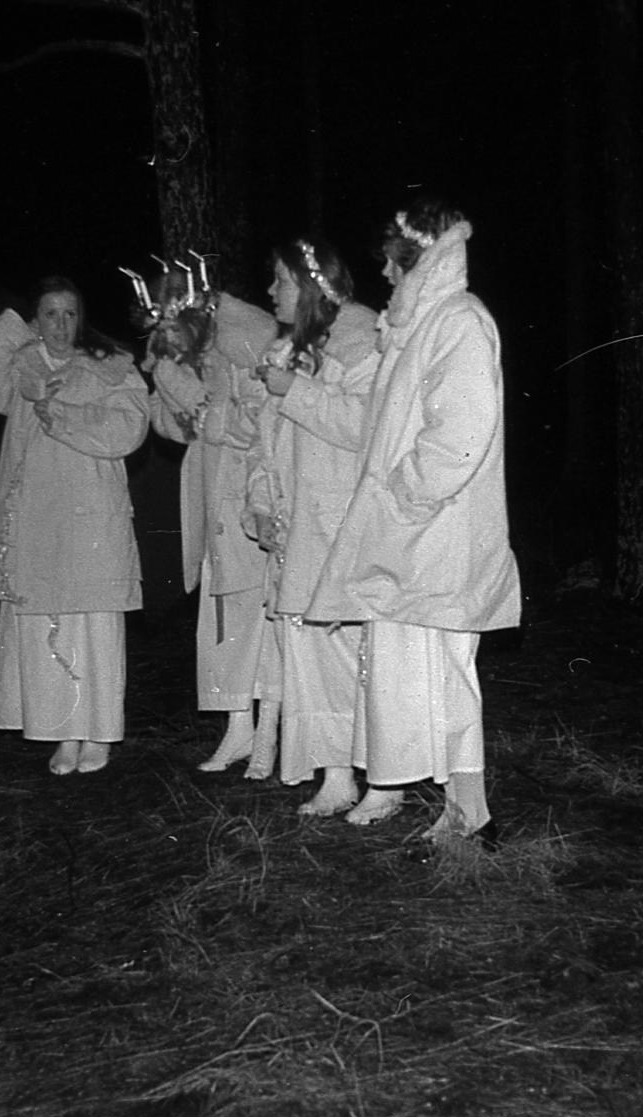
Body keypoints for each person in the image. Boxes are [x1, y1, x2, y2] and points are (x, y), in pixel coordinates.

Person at [305, 198, 521, 840]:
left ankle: (470, 814)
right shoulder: (419, 327)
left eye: (393, 263)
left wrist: (403, 492)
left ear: (415, 258)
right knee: (413, 675)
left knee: (447, 675)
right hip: (411, 538)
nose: (385, 275)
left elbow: (462, 433)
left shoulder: (459, 319)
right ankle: (452, 808)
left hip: (440, 533)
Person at [0, 277, 149, 774]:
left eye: (69, 314)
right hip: (37, 519)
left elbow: (129, 429)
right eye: (49, 314)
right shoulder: (21, 369)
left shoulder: (111, 366)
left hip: (91, 515)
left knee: (93, 625)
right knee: (46, 624)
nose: (61, 326)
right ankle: (63, 731)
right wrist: (14, 329)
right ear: (35, 320)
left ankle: (99, 732)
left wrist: (64, 416)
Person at [249, 237, 379, 814]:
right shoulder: (289, 349)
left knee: (352, 652)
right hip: (298, 526)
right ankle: (335, 774)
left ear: (309, 285)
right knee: (311, 652)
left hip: (342, 524)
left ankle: (384, 778)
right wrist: (260, 503)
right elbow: (266, 441)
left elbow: (366, 426)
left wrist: (297, 391)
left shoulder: (361, 340)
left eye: (280, 280)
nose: (270, 291)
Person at [139, 262, 282, 776]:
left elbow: (260, 421)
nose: (167, 331)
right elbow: (174, 425)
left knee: (259, 616)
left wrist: (205, 413)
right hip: (210, 493)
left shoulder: (240, 350)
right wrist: (171, 385)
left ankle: (268, 730)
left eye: (173, 320)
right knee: (223, 618)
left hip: (248, 494)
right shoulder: (190, 358)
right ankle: (238, 726)